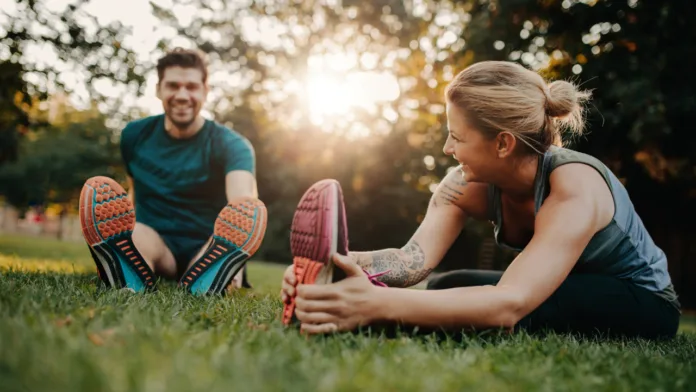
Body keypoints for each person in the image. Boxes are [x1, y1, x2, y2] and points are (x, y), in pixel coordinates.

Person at [281, 60, 681, 340]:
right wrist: (335, 268)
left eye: (457, 136)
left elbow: (509, 303)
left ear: (502, 143)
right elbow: (410, 262)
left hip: (638, 298)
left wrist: (374, 305)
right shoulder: (464, 185)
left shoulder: (574, 185)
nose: (446, 147)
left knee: (517, 311)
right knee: (445, 287)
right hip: (566, 286)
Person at [78, 48, 267, 295]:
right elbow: (135, 189)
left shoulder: (232, 144)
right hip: (156, 242)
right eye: (173, 86)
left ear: (205, 91)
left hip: (206, 244)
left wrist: (240, 257)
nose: (182, 95)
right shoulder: (134, 135)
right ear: (158, 89)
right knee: (135, 237)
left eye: (191, 87)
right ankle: (126, 270)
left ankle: (218, 270)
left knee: (217, 245)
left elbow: (242, 205)